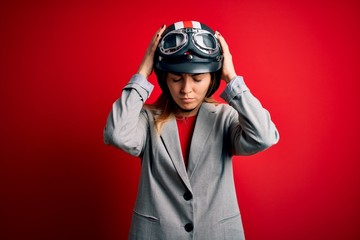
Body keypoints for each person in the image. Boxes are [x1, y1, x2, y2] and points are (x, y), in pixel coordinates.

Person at [104, 20, 279, 240]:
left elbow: (263, 137)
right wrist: (143, 71)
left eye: (197, 79)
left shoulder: (225, 118)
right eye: (176, 79)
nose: (186, 90)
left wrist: (232, 78)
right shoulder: (146, 120)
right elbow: (116, 133)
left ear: (213, 79)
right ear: (164, 79)